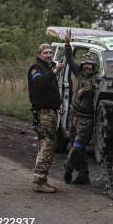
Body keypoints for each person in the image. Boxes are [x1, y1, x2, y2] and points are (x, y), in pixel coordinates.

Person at [62, 29, 100, 185]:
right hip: (74, 115)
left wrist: (86, 90)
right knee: (76, 145)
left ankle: (68, 167)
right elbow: (70, 61)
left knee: (78, 146)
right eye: (85, 64)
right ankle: (83, 174)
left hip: (87, 119)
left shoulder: (97, 79)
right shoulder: (79, 73)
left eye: (90, 65)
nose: (87, 67)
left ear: (94, 66)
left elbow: (96, 89)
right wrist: (67, 45)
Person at [28, 43, 64, 193]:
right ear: (39, 54)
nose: (48, 55)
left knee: (46, 145)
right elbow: (39, 85)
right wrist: (55, 71)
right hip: (43, 113)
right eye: (45, 53)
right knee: (47, 145)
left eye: (50, 52)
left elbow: (50, 91)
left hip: (50, 111)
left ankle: (41, 179)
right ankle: (39, 181)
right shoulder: (36, 68)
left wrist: (58, 105)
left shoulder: (47, 68)